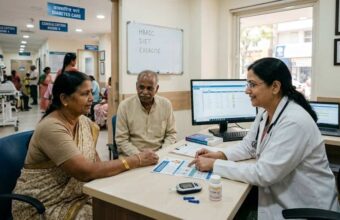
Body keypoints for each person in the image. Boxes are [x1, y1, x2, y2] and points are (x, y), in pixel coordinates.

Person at [188, 57, 340, 219]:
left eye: (252, 85)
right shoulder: (265, 112)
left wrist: (215, 165)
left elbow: (264, 173)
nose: (247, 90)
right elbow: (249, 146)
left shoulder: (294, 122)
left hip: (304, 209)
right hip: (281, 197)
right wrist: (220, 155)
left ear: (275, 86)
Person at [12, 71, 159, 220]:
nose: (91, 98)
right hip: (45, 204)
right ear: (64, 99)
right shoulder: (52, 127)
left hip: (79, 195)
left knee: (126, 203)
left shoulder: (82, 121)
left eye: (91, 93)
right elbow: (85, 172)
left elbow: (95, 161)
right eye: (84, 94)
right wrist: (136, 160)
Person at [116, 70, 177, 156]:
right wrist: (141, 157)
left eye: (149, 88)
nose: (145, 92)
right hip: (132, 157)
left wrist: (161, 154)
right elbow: (121, 140)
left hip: (159, 155)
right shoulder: (124, 106)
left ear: (157, 89)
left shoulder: (166, 105)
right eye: (141, 87)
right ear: (136, 86)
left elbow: (171, 134)